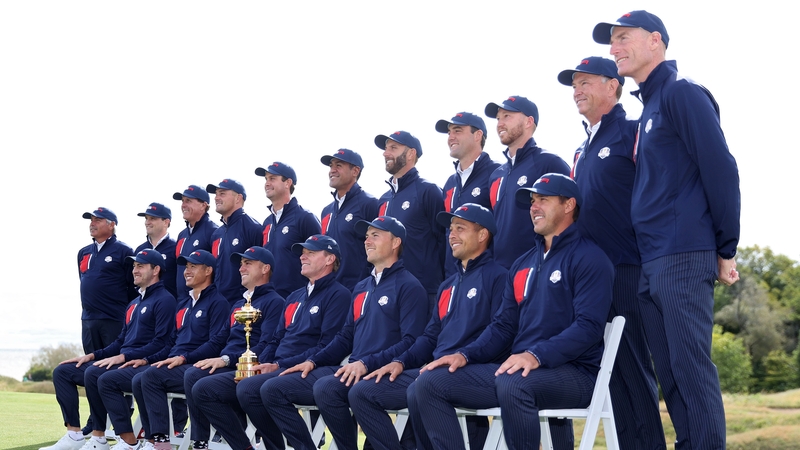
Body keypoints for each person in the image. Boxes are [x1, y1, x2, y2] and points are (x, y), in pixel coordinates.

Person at [592, 10, 741, 449]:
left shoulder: (682, 94)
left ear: (656, 41)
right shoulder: (651, 107)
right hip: (651, 260)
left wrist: (726, 247)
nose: (615, 47)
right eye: (612, 41)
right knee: (672, 373)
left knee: (691, 369)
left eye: (624, 38)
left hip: (683, 253)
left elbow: (721, 169)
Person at [410, 174, 613, 450]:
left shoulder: (590, 258)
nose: (534, 206)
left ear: (569, 205)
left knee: (513, 384)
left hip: (575, 373)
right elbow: (503, 326)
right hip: (518, 371)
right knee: (428, 383)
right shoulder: (521, 265)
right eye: (532, 201)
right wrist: (464, 354)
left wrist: (536, 355)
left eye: (543, 199)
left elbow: (588, 327)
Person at [557, 56, 663, 448]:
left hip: (628, 269)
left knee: (634, 369)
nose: (577, 90)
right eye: (574, 85)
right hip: (590, 278)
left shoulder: (633, 133)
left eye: (586, 82)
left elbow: (657, 193)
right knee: (609, 374)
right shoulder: (582, 149)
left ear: (612, 86)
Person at [262, 216, 429, 450]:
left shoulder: (409, 286)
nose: (367, 241)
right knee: (318, 388)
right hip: (356, 370)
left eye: (375, 235)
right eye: (366, 236)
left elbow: (412, 341)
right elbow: (345, 336)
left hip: (389, 371)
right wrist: (312, 360)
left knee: (338, 389)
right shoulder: (361, 287)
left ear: (395, 243)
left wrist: (366, 363)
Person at [350, 204, 507, 450]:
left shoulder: (499, 277)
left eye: (460, 228)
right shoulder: (447, 285)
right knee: (362, 392)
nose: (451, 235)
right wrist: (400, 362)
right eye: (450, 229)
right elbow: (430, 336)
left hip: (477, 368)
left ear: (482, 234)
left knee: (424, 386)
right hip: (435, 371)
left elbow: (501, 331)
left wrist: (465, 355)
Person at [197, 235, 351, 450]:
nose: (303, 257)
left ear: (329, 259)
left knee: (255, 388)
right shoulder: (295, 296)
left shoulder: (339, 295)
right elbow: (276, 339)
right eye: (302, 253)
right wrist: (260, 364)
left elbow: (327, 346)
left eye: (311, 253)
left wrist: (279, 366)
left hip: (310, 369)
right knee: (204, 388)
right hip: (277, 368)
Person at [43, 249, 176, 450]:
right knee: (64, 371)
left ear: (156, 269)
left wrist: (124, 356)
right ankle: (75, 435)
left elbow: (162, 343)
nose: (134, 270)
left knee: (97, 374)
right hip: (125, 360)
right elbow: (120, 341)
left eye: (140, 266)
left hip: (143, 364)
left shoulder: (165, 300)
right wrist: (93, 355)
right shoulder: (133, 303)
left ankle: (127, 440)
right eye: (133, 266)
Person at [183, 246, 284, 450]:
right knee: (192, 373)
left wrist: (228, 360)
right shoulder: (238, 303)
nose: (241, 268)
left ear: (265, 269)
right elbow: (219, 339)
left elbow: (266, 344)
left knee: (204, 388)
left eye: (248, 263)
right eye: (241, 264)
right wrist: (185, 357)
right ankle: (201, 442)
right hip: (231, 364)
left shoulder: (275, 302)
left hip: (251, 368)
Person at [131, 250, 230, 450]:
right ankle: (154, 439)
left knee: (150, 377)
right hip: (180, 362)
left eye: (193, 266)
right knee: (139, 377)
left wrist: (185, 358)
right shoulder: (183, 304)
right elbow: (171, 342)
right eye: (186, 267)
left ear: (208, 270)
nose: (187, 271)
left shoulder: (218, 303)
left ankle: (163, 443)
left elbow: (216, 344)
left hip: (198, 364)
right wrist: (148, 359)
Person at [484, 96, 570, 269]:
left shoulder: (549, 163)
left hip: (538, 269)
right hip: (500, 273)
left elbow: (570, 216)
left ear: (529, 121)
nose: (500, 123)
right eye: (498, 118)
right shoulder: (496, 175)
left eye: (507, 116)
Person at [375, 130, 445, 307]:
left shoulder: (428, 191)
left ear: (411, 154)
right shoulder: (383, 200)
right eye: (385, 148)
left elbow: (444, 240)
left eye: (393, 147)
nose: (386, 153)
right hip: (388, 292)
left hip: (425, 292)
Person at [435, 112, 500, 279]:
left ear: (478, 135)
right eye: (449, 132)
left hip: (487, 277)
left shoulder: (498, 174)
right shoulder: (450, 183)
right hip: (454, 278)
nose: (451, 137)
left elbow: (503, 225)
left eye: (457, 131)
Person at [257, 162, 321, 298]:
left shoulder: (305, 217)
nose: (267, 183)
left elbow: (321, 259)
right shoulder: (267, 223)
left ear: (288, 183)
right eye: (266, 179)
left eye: (272, 178)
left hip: (296, 299)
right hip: (269, 300)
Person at [77, 207, 136, 354]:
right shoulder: (84, 253)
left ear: (111, 225)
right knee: (91, 365)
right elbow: (84, 281)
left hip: (113, 318)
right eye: (91, 220)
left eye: (97, 220)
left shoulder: (124, 251)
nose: (92, 224)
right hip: (89, 319)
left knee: (112, 366)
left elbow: (133, 286)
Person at [319, 149, 379, 291]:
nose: (332, 170)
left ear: (355, 171)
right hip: (329, 292)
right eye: (331, 166)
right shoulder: (326, 211)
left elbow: (380, 249)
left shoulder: (370, 204)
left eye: (338, 165)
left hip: (358, 290)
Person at [206, 179, 263, 305]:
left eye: (222, 193)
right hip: (217, 304)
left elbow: (262, 270)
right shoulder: (216, 234)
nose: (216, 198)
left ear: (238, 198)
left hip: (242, 304)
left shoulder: (252, 228)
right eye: (216, 194)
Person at [173, 185, 219, 298]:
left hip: (204, 301)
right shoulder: (182, 235)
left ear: (203, 205)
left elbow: (218, 269)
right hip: (183, 302)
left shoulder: (214, 231)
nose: (183, 205)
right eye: (183, 201)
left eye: (188, 201)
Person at [135, 202, 178, 298]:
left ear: (166, 222)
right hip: (143, 308)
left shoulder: (176, 247)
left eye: (152, 219)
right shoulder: (140, 250)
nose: (147, 222)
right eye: (146, 218)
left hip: (169, 307)